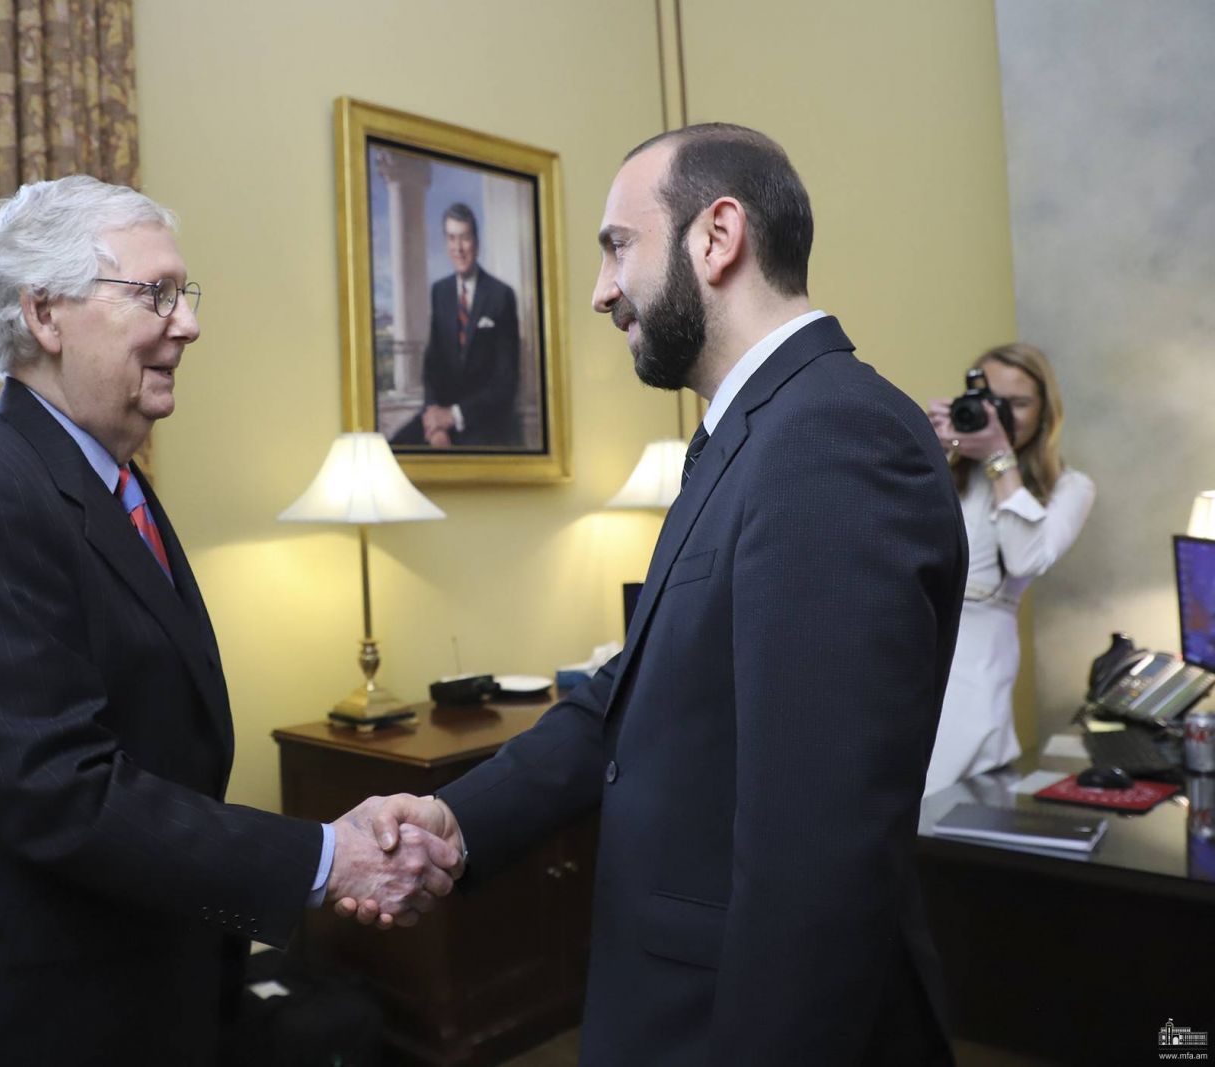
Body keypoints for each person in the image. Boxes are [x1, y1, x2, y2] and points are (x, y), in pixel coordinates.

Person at [346, 125, 968, 1065]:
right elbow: (624, 703)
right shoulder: (749, 435)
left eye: (616, 245)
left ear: (717, 238)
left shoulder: (830, 437)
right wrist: (462, 819)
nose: (601, 291)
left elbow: (815, 858)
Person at [0, 176, 457, 1066]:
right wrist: (329, 856)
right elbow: (66, 793)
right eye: (154, 294)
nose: (188, 323)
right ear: (47, 314)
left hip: (142, 995)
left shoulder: (117, 483)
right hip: (21, 1016)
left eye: (185, 293)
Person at [923, 343, 1094, 794]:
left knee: (950, 792)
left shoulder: (1071, 487)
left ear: (1044, 411)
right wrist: (925, 447)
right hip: (910, 639)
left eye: (1017, 404)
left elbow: (1025, 557)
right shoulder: (944, 463)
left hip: (979, 655)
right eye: (992, 402)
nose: (1001, 416)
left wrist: (1000, 460)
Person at [390, 202, 521, 448]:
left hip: (484, 420)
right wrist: (434, 422)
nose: (458, 248)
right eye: (452, 238)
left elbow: (506, 381)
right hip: (440, 418)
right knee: (393, 448)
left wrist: (455, 416)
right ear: (445, 243)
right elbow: (431, 366)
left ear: (476, 243)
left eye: (464, 238)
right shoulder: (440, 292)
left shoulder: (501, 296)